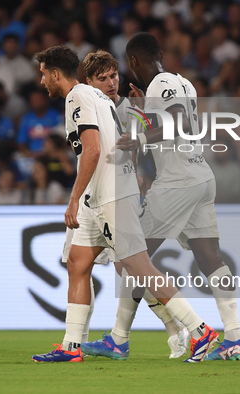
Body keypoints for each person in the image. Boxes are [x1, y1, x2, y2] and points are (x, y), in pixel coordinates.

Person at [31, 45, 218, 363]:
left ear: (54, 73)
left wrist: (73, 199)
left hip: (110, 194)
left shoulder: (79, 97)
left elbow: (91, 150)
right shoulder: (101, 99)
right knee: (78, 263)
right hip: (101, 194)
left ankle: (201, 331)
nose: (41, 82)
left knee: (138, 267)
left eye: (43, 74)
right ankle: (71, 346)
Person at [104, 33, 240, 361]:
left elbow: (179, 123)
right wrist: (143, 111)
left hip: (177, 181)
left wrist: (139, 139)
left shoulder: (160, 85)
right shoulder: (184, 83)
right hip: (200, 175)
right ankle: (235, 337)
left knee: (130, 256)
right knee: (211, 257)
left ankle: (122, 338)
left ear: (134, 62)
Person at [81, 49, 190, 358]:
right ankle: (173, 331)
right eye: (102, 79)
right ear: (89, 82)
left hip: (125, 196)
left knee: (133, 267)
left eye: (113, 76)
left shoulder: (131, 108)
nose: (111, 83)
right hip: (100, 197)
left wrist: (145, 180)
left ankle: (181, 330)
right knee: (128, 269)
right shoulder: (87, 109)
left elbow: (150, 147)